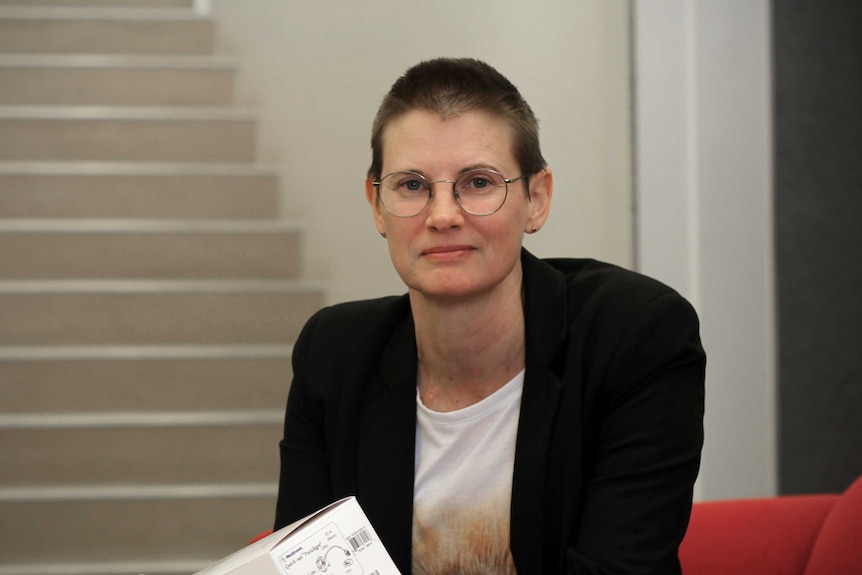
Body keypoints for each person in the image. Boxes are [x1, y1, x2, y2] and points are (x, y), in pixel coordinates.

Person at [274, 57, 705, 575]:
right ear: (376, 205)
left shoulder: (635, 336)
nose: (443, 215)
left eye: (478, 182)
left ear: (537, 198)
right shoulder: (334, 354)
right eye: (412, 185)